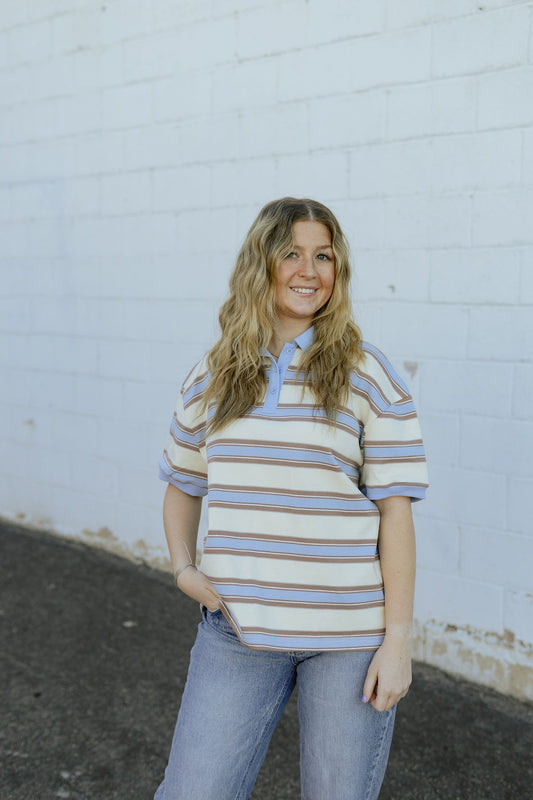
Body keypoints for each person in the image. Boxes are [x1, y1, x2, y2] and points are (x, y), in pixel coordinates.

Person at [154, 197, 428, 800]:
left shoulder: (369, 374)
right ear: (262, 263)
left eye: (324, 255)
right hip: (238, 630)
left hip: (350, 641)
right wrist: (183, 569)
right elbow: (181, 484)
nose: (310, 270)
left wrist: (398, 641)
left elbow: (396, 516)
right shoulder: (213, 375)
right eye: (292, 253)